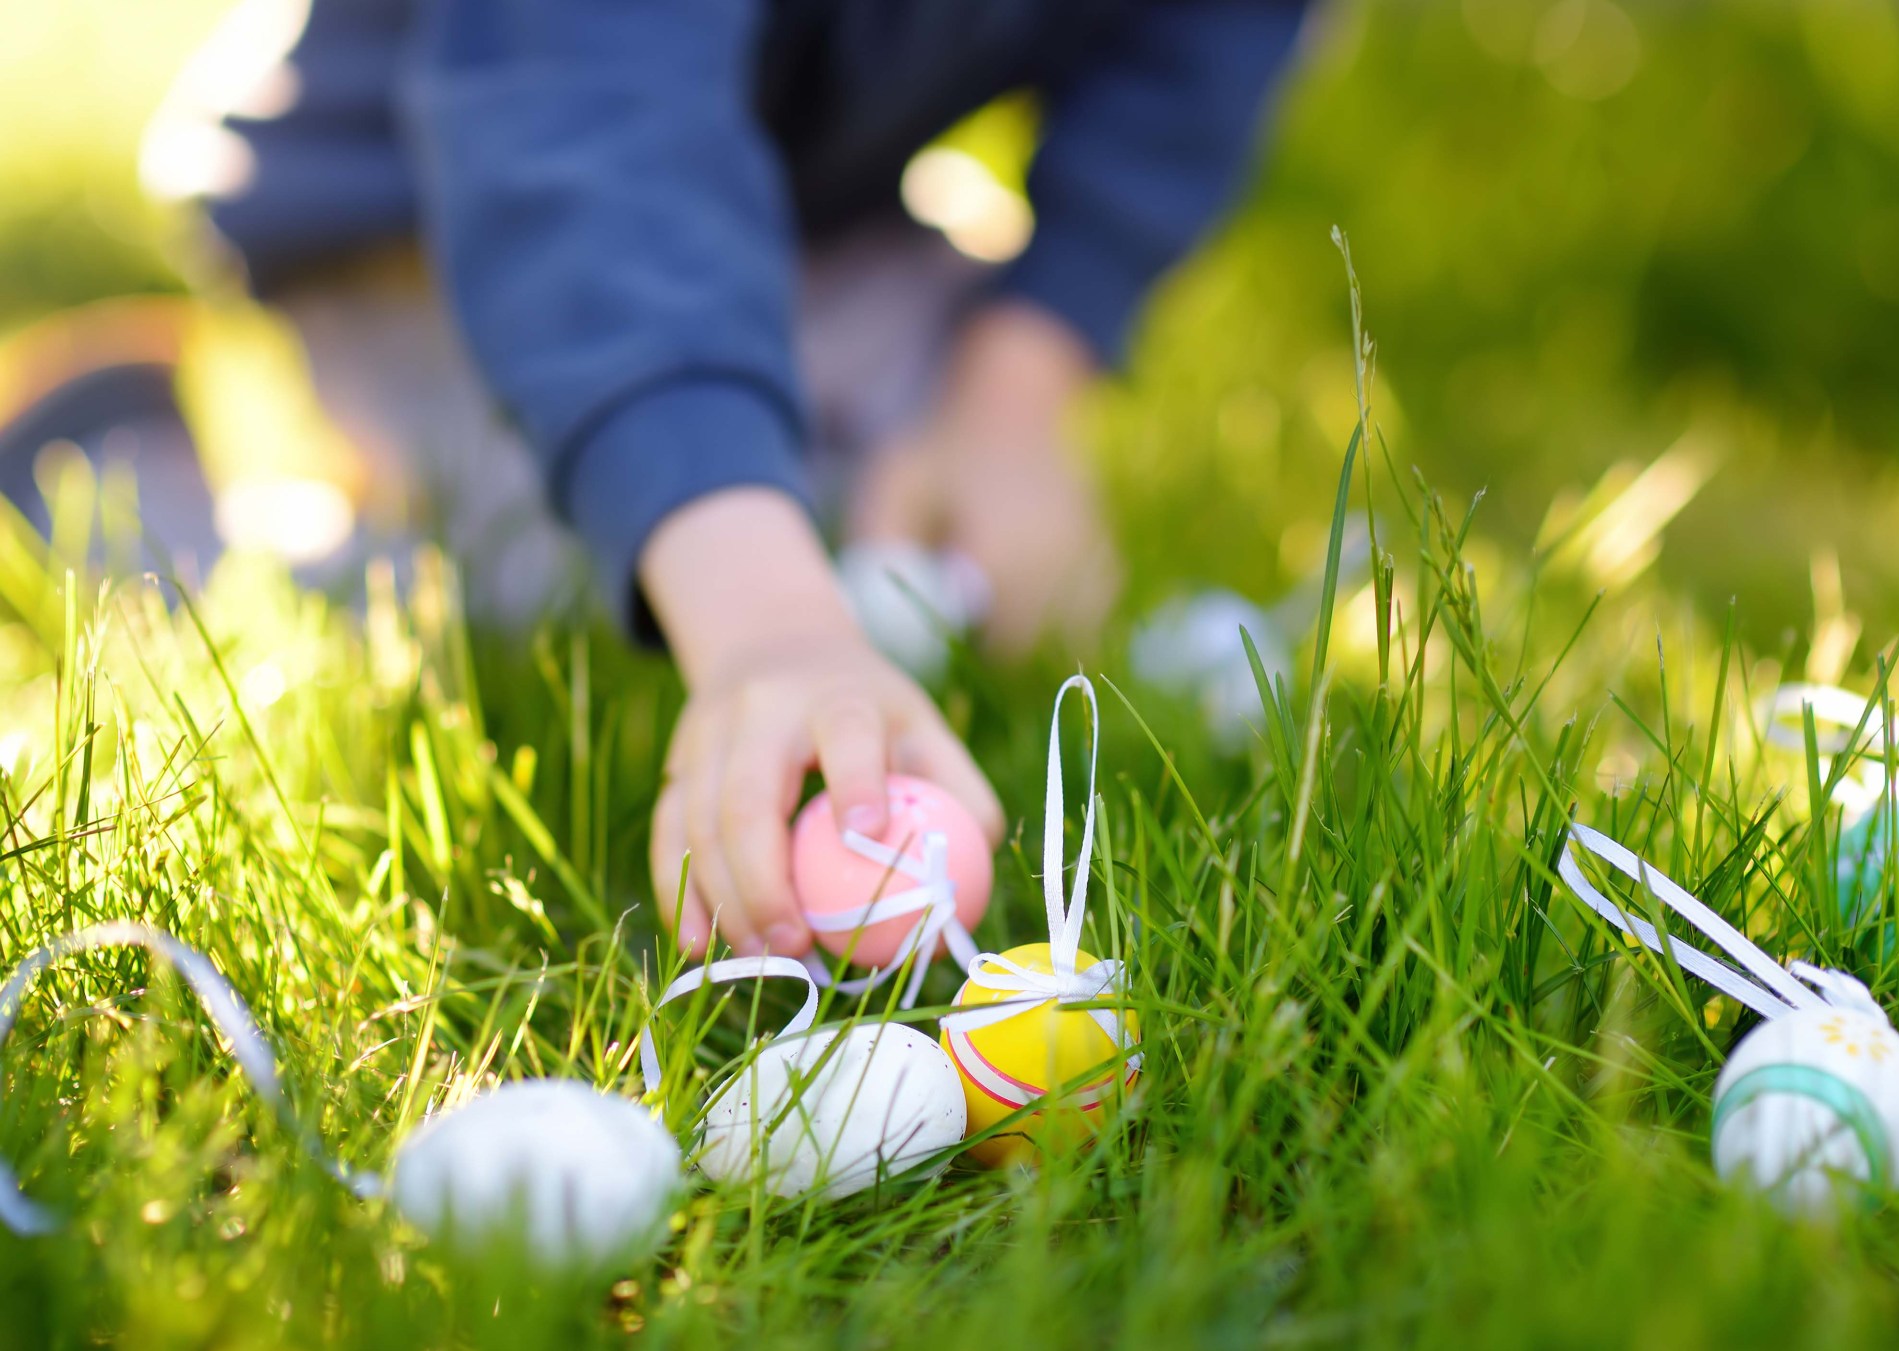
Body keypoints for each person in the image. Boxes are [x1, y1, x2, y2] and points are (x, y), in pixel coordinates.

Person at [130, 0, 1310, 960]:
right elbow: (580, 120)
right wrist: (769, 626)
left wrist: (1015, 390)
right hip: (445, 206)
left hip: (790, 198)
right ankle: (139, 493)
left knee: (900, 499)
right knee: (579, 564)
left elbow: (1192, 54)